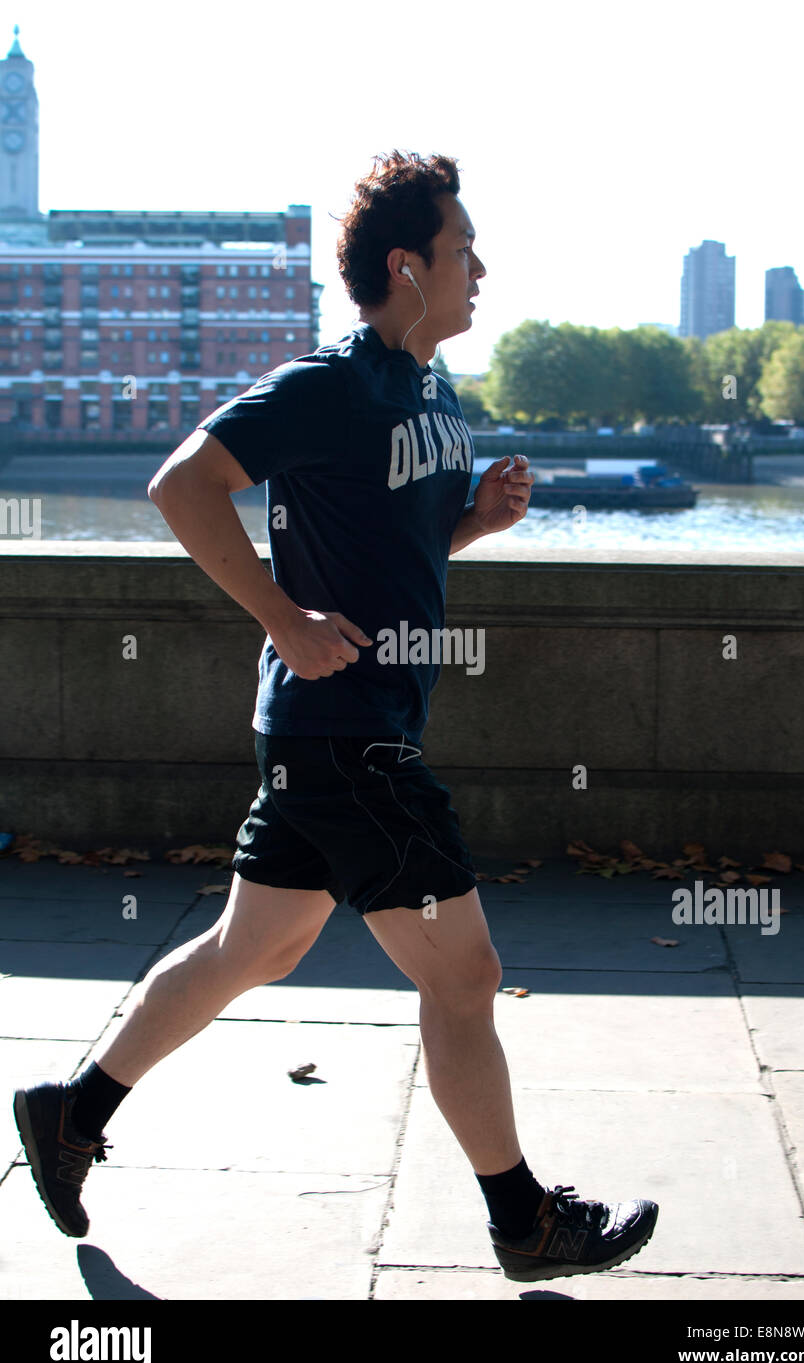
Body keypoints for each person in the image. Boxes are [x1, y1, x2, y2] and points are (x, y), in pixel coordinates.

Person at [13, 149, 657, 1283]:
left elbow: (391, 549)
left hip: (338, 730)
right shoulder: (330, 382)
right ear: (407, 266)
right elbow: (180, 484)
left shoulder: (429, 389)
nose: (480, 269)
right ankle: (523, 1223)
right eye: (463, 251)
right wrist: (281, 614)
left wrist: (472, 522)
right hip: (346, 729)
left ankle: (72, 1112)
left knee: (251, 946)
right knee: (461, 974)